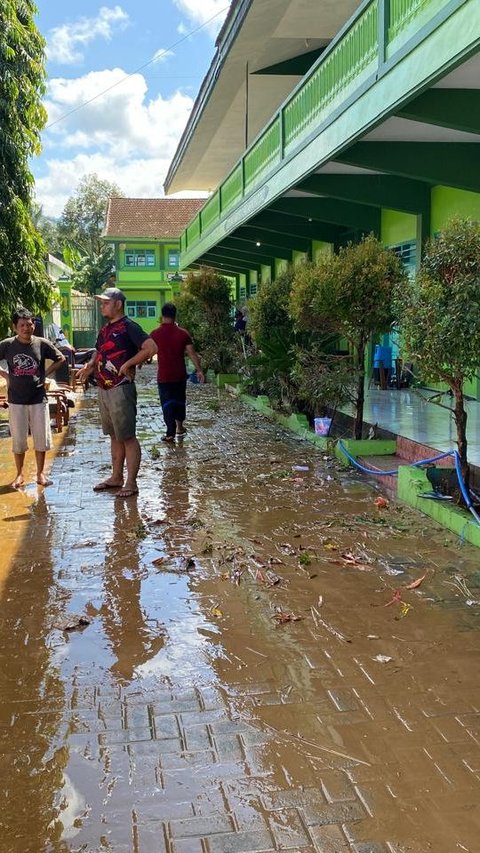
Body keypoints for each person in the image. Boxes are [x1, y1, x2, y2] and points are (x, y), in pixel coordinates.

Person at [76, 288, 157, 497]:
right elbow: (98, 351)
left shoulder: (129, 327)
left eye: (106, 302)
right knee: (114, 435)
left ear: (118, 304)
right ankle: (116, 477)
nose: (102, 305)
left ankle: (131, 483)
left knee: (128, 436)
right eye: (101, 302)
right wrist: (90, 366)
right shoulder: (105, 330)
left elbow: (151, 347)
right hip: (103, 387)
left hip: (121, 387)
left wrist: (129, 363)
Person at [0, 307, 66, 488]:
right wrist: (5, 375)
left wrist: (46, 374)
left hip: (38, 399)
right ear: (15, 327)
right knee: (19, 440)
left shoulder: (42, 343)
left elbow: (60, 358)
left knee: (41, 438)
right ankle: (19, 475)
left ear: (33, 326)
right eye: (22, 325)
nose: (26, 328)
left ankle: (40, 474)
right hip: (16, 400)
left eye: (29, 324)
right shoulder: (7, 345)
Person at [150, 303, 204, 442]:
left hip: (164, 376)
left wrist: (139, 363)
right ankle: (180, 427)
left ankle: (170, 432)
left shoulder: (155, 333)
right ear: (175, 316)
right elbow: (192, 353)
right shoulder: (183, 333)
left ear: (162, 315)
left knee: (166, 403)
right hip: (179, 374)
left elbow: (147, 350)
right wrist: (199, 370)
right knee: (180, 400)